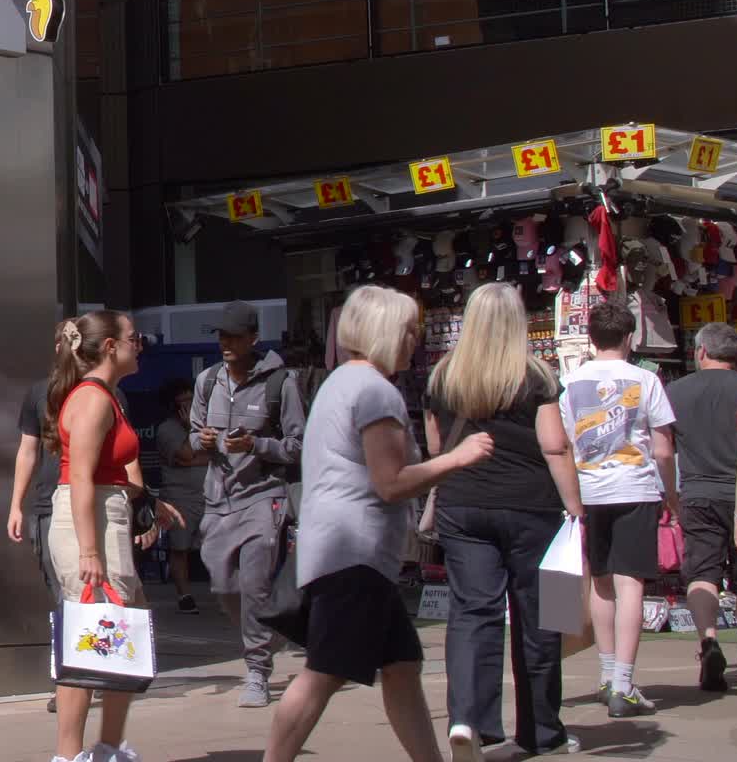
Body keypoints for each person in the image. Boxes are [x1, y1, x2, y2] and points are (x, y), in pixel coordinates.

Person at [265, 285, 496, 762]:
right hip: (356, 555)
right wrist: (455, 459)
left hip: (348, 553)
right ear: (386, 332)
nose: (415, 339)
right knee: (324, 672)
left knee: (402, 665)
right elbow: (391, 483)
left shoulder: (341, 383)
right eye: (409, 329)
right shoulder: (375, 391)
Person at [422, 283, 580, 760]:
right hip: (534, 509)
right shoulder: (536, 374)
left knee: (472, 614)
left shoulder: (443, 375)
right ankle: (542, 731)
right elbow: (555, 446)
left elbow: (435, 449)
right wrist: (575, 506)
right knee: (544, 618)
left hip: (463, 505)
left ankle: (470, 721)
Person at [46, 310, 183, 762]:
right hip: (92, 524)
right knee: (94, 637)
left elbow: (102, 475)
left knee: (118, 634)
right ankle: (73, 756)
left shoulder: (105, 395)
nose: (139, 345)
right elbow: (81, 478)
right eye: (133, 337)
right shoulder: (93, 398)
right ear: (110, 347)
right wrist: (90, 550)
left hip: (106, 516)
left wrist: (148, 502)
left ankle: (105, 748)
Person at [558, 300, 677, 717]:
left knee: (602, 583)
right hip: (636, 487)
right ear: (630, 337)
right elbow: (663, 449)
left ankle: (608, 674)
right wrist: (671, 496)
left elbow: (563, 444)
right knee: (632, 585)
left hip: (589, 490)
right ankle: (623, 683)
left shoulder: (569, 383)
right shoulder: (646, 380)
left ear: (590, 339)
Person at [189, 300, 306, 707]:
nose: (226, 343)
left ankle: (257, 670)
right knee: (224, 586)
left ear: (253, 338)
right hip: (218, 499)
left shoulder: (280, 383)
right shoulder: (207, 381)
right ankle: (269, 631)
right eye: (221, 335)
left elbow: (298, 446)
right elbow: (192, 435)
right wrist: (200, 441)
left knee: (255, 584)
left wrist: (258, 444)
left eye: (234, 336)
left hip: (264, 497)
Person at [665, 321, 737, 690]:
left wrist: (671, 498)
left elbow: (663, 451)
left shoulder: (675, 392)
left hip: (697, 493)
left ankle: (709, 641)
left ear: (701, 352)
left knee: (702, 574)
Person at [9, 376, 64, 713]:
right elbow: (28, 449)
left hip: (93, 508)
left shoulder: (107, 392)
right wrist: (16, 503)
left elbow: (125, 456)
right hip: (48, 507)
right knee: (60, 597)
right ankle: (68, 679)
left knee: (86, 598)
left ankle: (86, 677)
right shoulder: (39, 392)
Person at [151, 378, 207, 613]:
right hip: (180, 497)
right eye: (183, 401)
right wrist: (191, 430)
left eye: (191, 399)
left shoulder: (205, 424)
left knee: (217, 546)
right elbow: (185, 456)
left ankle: (227, 593)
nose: (189, 404)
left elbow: (217, 452)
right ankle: (184, 595)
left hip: (208, 494)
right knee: (180, 548)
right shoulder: (168, 429)